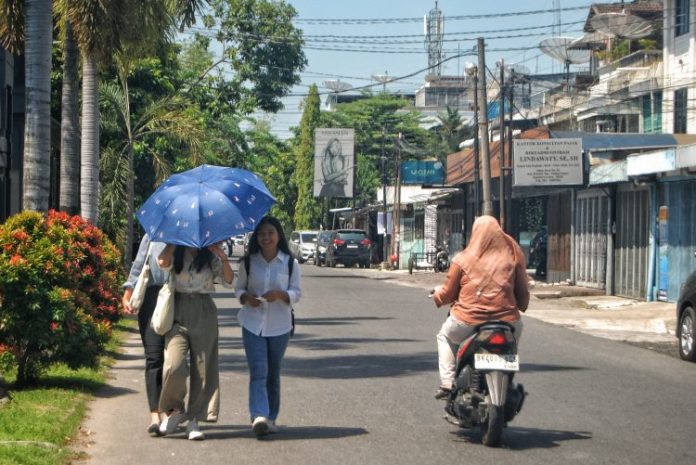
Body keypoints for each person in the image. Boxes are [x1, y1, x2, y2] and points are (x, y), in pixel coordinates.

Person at [431, 215, 530, 399]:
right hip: (508, 323)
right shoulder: (513, 257)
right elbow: (523, 295)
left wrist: (437, 295)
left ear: (475, 234)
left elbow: (448, 294)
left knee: (445, 337)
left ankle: (447, 382)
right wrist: (521, 306)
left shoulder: (462, 260)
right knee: (511, 345)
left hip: (467, 322)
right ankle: (507, 379)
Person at [157, 242, 234, 440]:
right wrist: (173, 244)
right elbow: (162, 262)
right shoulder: (176, 250)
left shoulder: (209, 254)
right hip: (178, 308)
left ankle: (194, 420)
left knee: (203, 368)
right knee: (174, 365)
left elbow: (228, 281)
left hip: (203, 308)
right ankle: (175, 410)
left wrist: (222, 257)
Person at [234, 216, 301, 438]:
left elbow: (296, 293)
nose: (266, 237)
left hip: (280, 326)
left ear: (278, 235)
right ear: (256, 237)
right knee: (259, 370)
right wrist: (246, 298)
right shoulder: (248, 262)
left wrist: (281, 295)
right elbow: (238, 290)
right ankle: (259, 416)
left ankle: (271, 418)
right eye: (261, 234)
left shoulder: (291, 263)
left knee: (273, 372)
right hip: (252, 324)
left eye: (270, 233)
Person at [122, 235, 168, 436]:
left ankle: (170, 410)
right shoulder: (152, 234)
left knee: (173, 361)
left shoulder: (188, 237)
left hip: (177, 297)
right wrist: (127, 292)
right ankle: (155, 415)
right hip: (151, 297)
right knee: (153, 357)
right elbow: (139, 263)